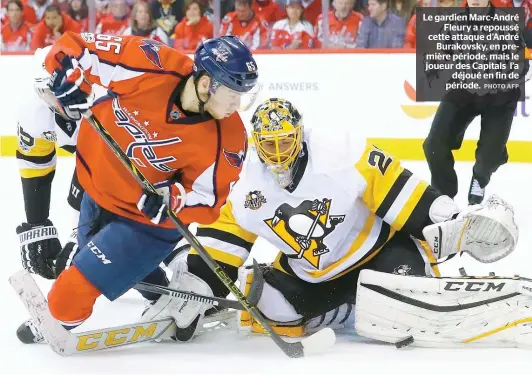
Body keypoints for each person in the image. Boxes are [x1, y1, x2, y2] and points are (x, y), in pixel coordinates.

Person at [146, 98, 517, 340]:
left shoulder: (341, 152)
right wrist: (198, 283)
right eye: (268, 144)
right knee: (270, 311)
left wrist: (454, 224)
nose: (277, 154)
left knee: (405, 310)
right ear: (255, 142)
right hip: (314, 275)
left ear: (300, 135)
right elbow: (222, 239)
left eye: (284, 141)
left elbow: (404, 194)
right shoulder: (243, 187)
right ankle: (349, 309)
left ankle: (394, 293)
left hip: (377, 254)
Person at [16, 33, 258, 344]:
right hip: (96, 191)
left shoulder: (230, 138)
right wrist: (70, 79)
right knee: (95, 260)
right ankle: (166, 295)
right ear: (205, 83)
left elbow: (209, 203)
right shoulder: (153, 62)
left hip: (144, 223)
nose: (237, 105)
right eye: (232, 93)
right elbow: (77, 46)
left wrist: (174, 198)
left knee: (65, 299)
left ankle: (56, 319)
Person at [422, 0, 530, 205]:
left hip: (500, 95)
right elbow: (442, 54)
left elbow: (522, 63)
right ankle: (443, 193)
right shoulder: (454, 23)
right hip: (464, 90)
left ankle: (482, 174)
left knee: (487, 159)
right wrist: (432, 68)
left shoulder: (505, 23)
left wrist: (503, 76)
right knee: (433, 144)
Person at [16, 45, 85, 283]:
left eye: (63, 90)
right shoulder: (32, 110)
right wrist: (37, 223)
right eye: (48, 92)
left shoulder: (106, 95)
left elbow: (103, 169)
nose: (57, 101)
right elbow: (35, 164)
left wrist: (81, 235)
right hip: (95, 155)